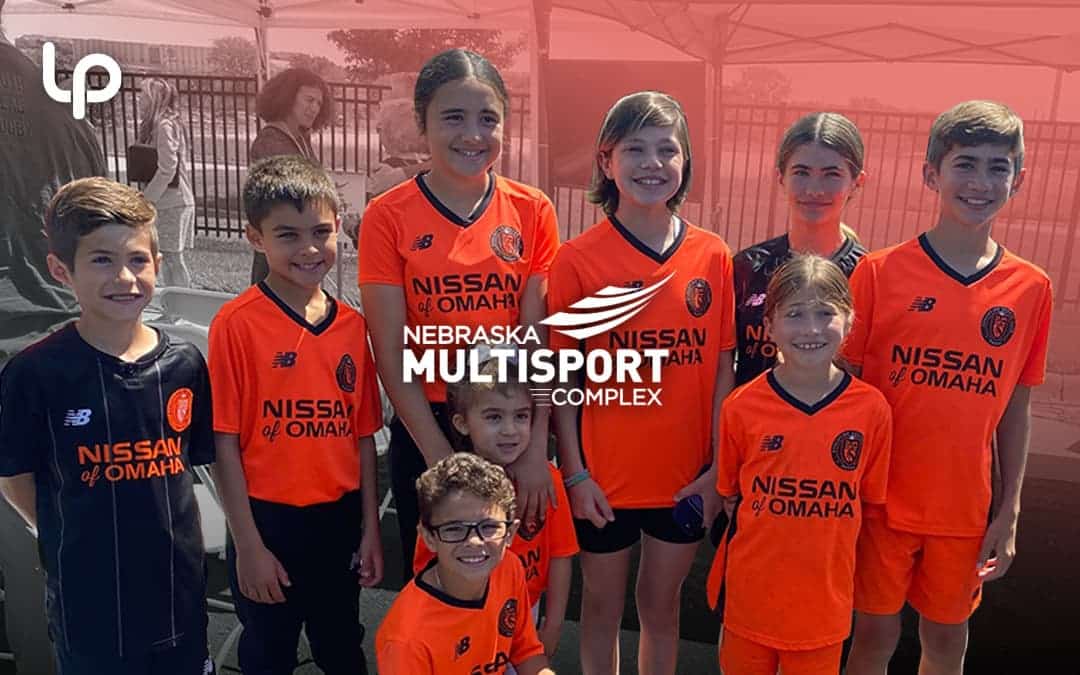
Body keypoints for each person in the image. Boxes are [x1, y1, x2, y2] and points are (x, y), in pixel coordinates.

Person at [843, 100, 1054, 675]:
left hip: (964, 511)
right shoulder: (880, 273)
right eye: (965, 164)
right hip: (881, 505)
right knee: (872, 641)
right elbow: (848, 395)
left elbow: (1017, 406)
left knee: (945, 643)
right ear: (931, 173)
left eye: (997, 167)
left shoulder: (1031, 288)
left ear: (1019, 180)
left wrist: (1007, 512)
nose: (980, 182)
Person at [546, 91, 736, 675]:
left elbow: (722, 367)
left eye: (666, 150)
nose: (652, 163)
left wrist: (715, 473)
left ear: (685, 163)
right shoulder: (577, 260)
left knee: (661, 608)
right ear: (606, 162)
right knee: (600, 609)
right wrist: (575, 474)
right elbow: (564, 380)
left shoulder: (712, 256)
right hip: (603, 483)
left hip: (685, 483)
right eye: (635, 149)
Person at [358, 49, 560, 583]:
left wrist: (536, 445)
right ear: (422, 123)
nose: (473, 134)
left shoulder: (532, 209)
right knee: (442, 580)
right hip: (429, 429)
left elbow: (538, 341)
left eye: (488, 118)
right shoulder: (387, 215)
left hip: (511, 427)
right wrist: (444, 459)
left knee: (514, 579)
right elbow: (393, 356)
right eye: (454, 117)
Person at [0, 177, 215, 675]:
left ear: (158, 266)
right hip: (90, 609)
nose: (125, 276)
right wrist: (69, 529)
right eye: (101, 259)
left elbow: (196, 465)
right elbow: (15, 479)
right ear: (61, 270)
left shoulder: (183, 364)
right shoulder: (35, 374)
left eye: (138, 260)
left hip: (177, 596)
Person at [208, 155, 383, 674]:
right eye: (288, 235)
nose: (309, 248)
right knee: (269, 653)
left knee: (341, 648)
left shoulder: (353, 325)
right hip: (268, 522)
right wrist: (248, 547)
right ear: (255, 238)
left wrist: (371, 528)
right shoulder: (236, 324)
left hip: (338, 521)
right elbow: (223, 443)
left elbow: (363, 436)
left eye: (321, 231)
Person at [704, 254, 891, 675]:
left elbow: (868, 502)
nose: (810, 328)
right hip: (751, 602)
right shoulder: (742, 406)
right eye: (794, 314)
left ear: (850, 321)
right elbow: (733, 496)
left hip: (823, 609)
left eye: (825, 313)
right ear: (769, 327)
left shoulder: (871, 410)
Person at [1, 6, 110, 672]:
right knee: (51, 541)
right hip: (57, 332)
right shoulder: (58, 107)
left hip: (21, 339)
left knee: (29, 544)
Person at [411, 352, 578, 659]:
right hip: (461, 618)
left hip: (526, 612)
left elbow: (561, 556)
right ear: (462, 423)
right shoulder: (447, 490)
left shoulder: (547, 481)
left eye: (521, 416)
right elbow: (426, 571)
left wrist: (553, 625)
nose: (510, 430)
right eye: (493, 416)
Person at [377, 452, 554, 675]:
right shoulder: (406, 639)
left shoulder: (509, 567)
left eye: (489, 527)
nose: (473, 540)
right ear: (428, 537)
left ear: (510, 533)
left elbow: (526, 651)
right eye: (454, 529)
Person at [733, 112, 868, 387]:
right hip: (749, 427)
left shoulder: (870, 273)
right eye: (801, 172)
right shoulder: (747, 266)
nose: (814, 189)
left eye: (832, 175)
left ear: (857, 182)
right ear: (780, 177)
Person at [247, 67, 333, 285]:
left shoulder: (301, 137)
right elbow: (291, 192)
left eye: (318, 103)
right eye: (308, 100)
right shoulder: (271, 141)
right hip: (279, 246)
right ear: (288, 98)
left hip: (302, 245)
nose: (314, 108)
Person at [137, 77, 195, 287]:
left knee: (172, 259)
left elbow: (168, 168)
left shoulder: (164, 126)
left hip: (172, 202)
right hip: (169, 201)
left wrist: (147, 198)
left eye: (143, 95)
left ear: (155, 98)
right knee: (168, 258)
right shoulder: (160, 125)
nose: (139, 100)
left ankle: (179, 309)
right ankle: (175, 309)